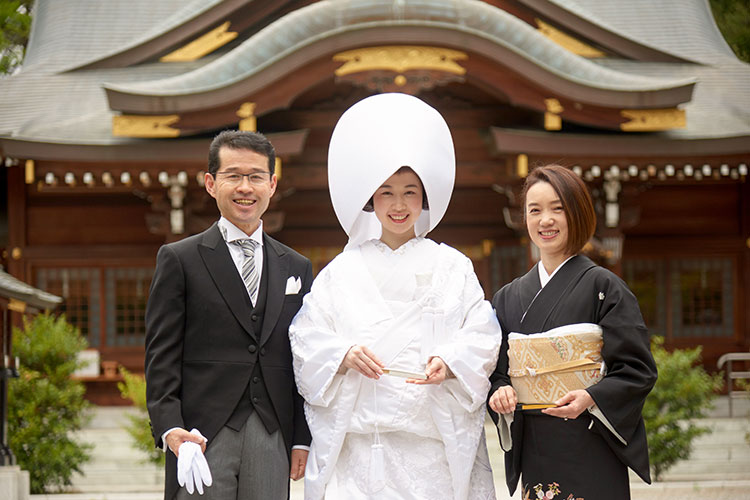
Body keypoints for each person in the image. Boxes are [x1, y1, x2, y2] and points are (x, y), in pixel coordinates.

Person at [288, 93, 502, 500]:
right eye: (386, 193)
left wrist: (452, 361)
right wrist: (343, 353)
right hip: (358, 453)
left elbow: (482, 333)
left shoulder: (451, 267)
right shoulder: (342, 271)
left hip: (430, 453)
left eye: (410, 192)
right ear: (371, 201)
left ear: (424, 200)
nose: (399, 205)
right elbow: (305, 338)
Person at [145, 130, 311, 500]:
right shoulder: (179, 259)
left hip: (273, 431)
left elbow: (303, 358)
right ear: (210, 183)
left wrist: (302, 437)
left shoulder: (296, 266)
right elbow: (161, 356)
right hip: (201, 434)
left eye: (255, 176)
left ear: (272, 184)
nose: (245, 187)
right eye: (233, 176)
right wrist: (170, 427)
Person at [487, 164, 657, 500]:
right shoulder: (507, 298)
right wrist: (500, 391)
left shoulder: (605, 287)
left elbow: (637, 369)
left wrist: (591, 396)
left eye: (557, 208)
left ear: (577, 213)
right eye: (534, 210)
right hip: (536, 444)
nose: (544, 220)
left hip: (590, 440)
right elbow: (497, 372)